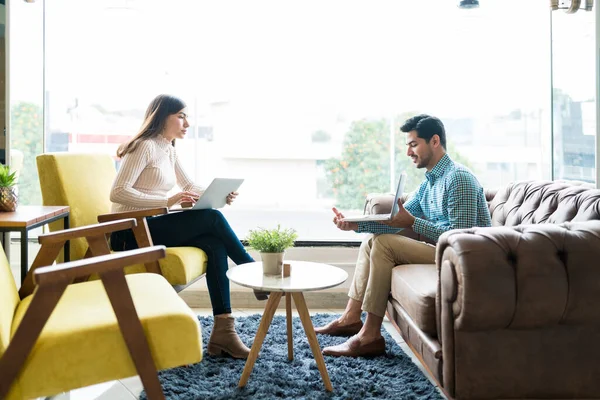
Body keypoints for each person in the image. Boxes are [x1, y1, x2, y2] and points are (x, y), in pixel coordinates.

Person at [316, 114, 492, 357]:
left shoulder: (458, 178)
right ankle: (351, 318)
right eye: (407, 146)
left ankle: (370, 336)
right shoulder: (430, 181)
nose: (409, 152)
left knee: (384, 245)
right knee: (372, 241)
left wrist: (414, 222)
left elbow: (459, 240)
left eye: (413, 144)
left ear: (434, 141)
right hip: (441, 252)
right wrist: (354, 225)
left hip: (462, 260)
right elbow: (396, 224)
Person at [109, 94, 262, 360]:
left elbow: (188, 186)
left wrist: (218, 194)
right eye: (181, 116)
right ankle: (251, 271)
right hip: (129, 233)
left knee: (214, 244)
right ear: (161, 117)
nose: (187, 123)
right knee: (212, 219)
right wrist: (167, 201)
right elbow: (118, 192)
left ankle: (223, 332)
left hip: (151, 226)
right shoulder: (143, 146)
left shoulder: (168, 147)